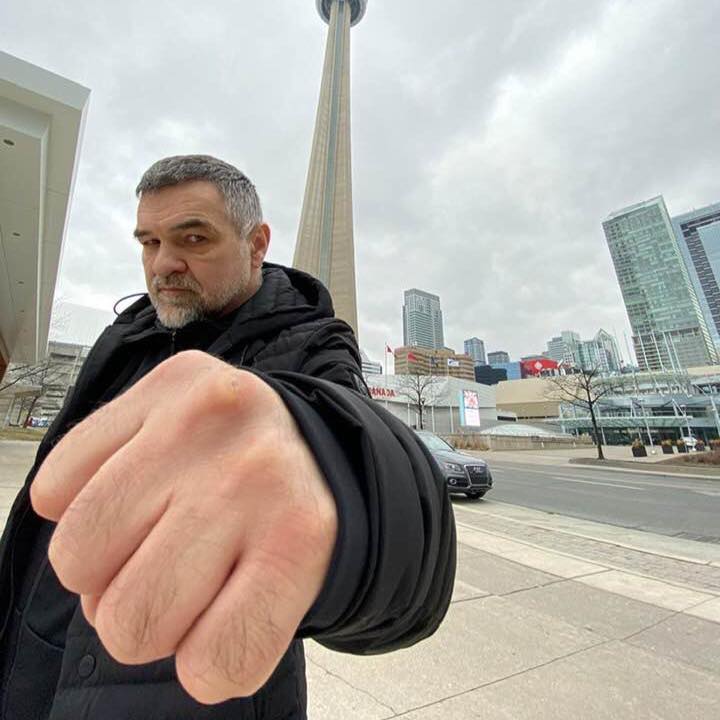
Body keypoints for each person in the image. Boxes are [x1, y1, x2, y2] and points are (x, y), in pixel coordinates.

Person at [0, 155, 456, 719]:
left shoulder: (311, 344)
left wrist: (318, 468)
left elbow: (375, 488)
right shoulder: (124, 337)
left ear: (256, 244)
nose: (164, 263)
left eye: (193, 238)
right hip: (29, 666)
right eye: (149, 242)